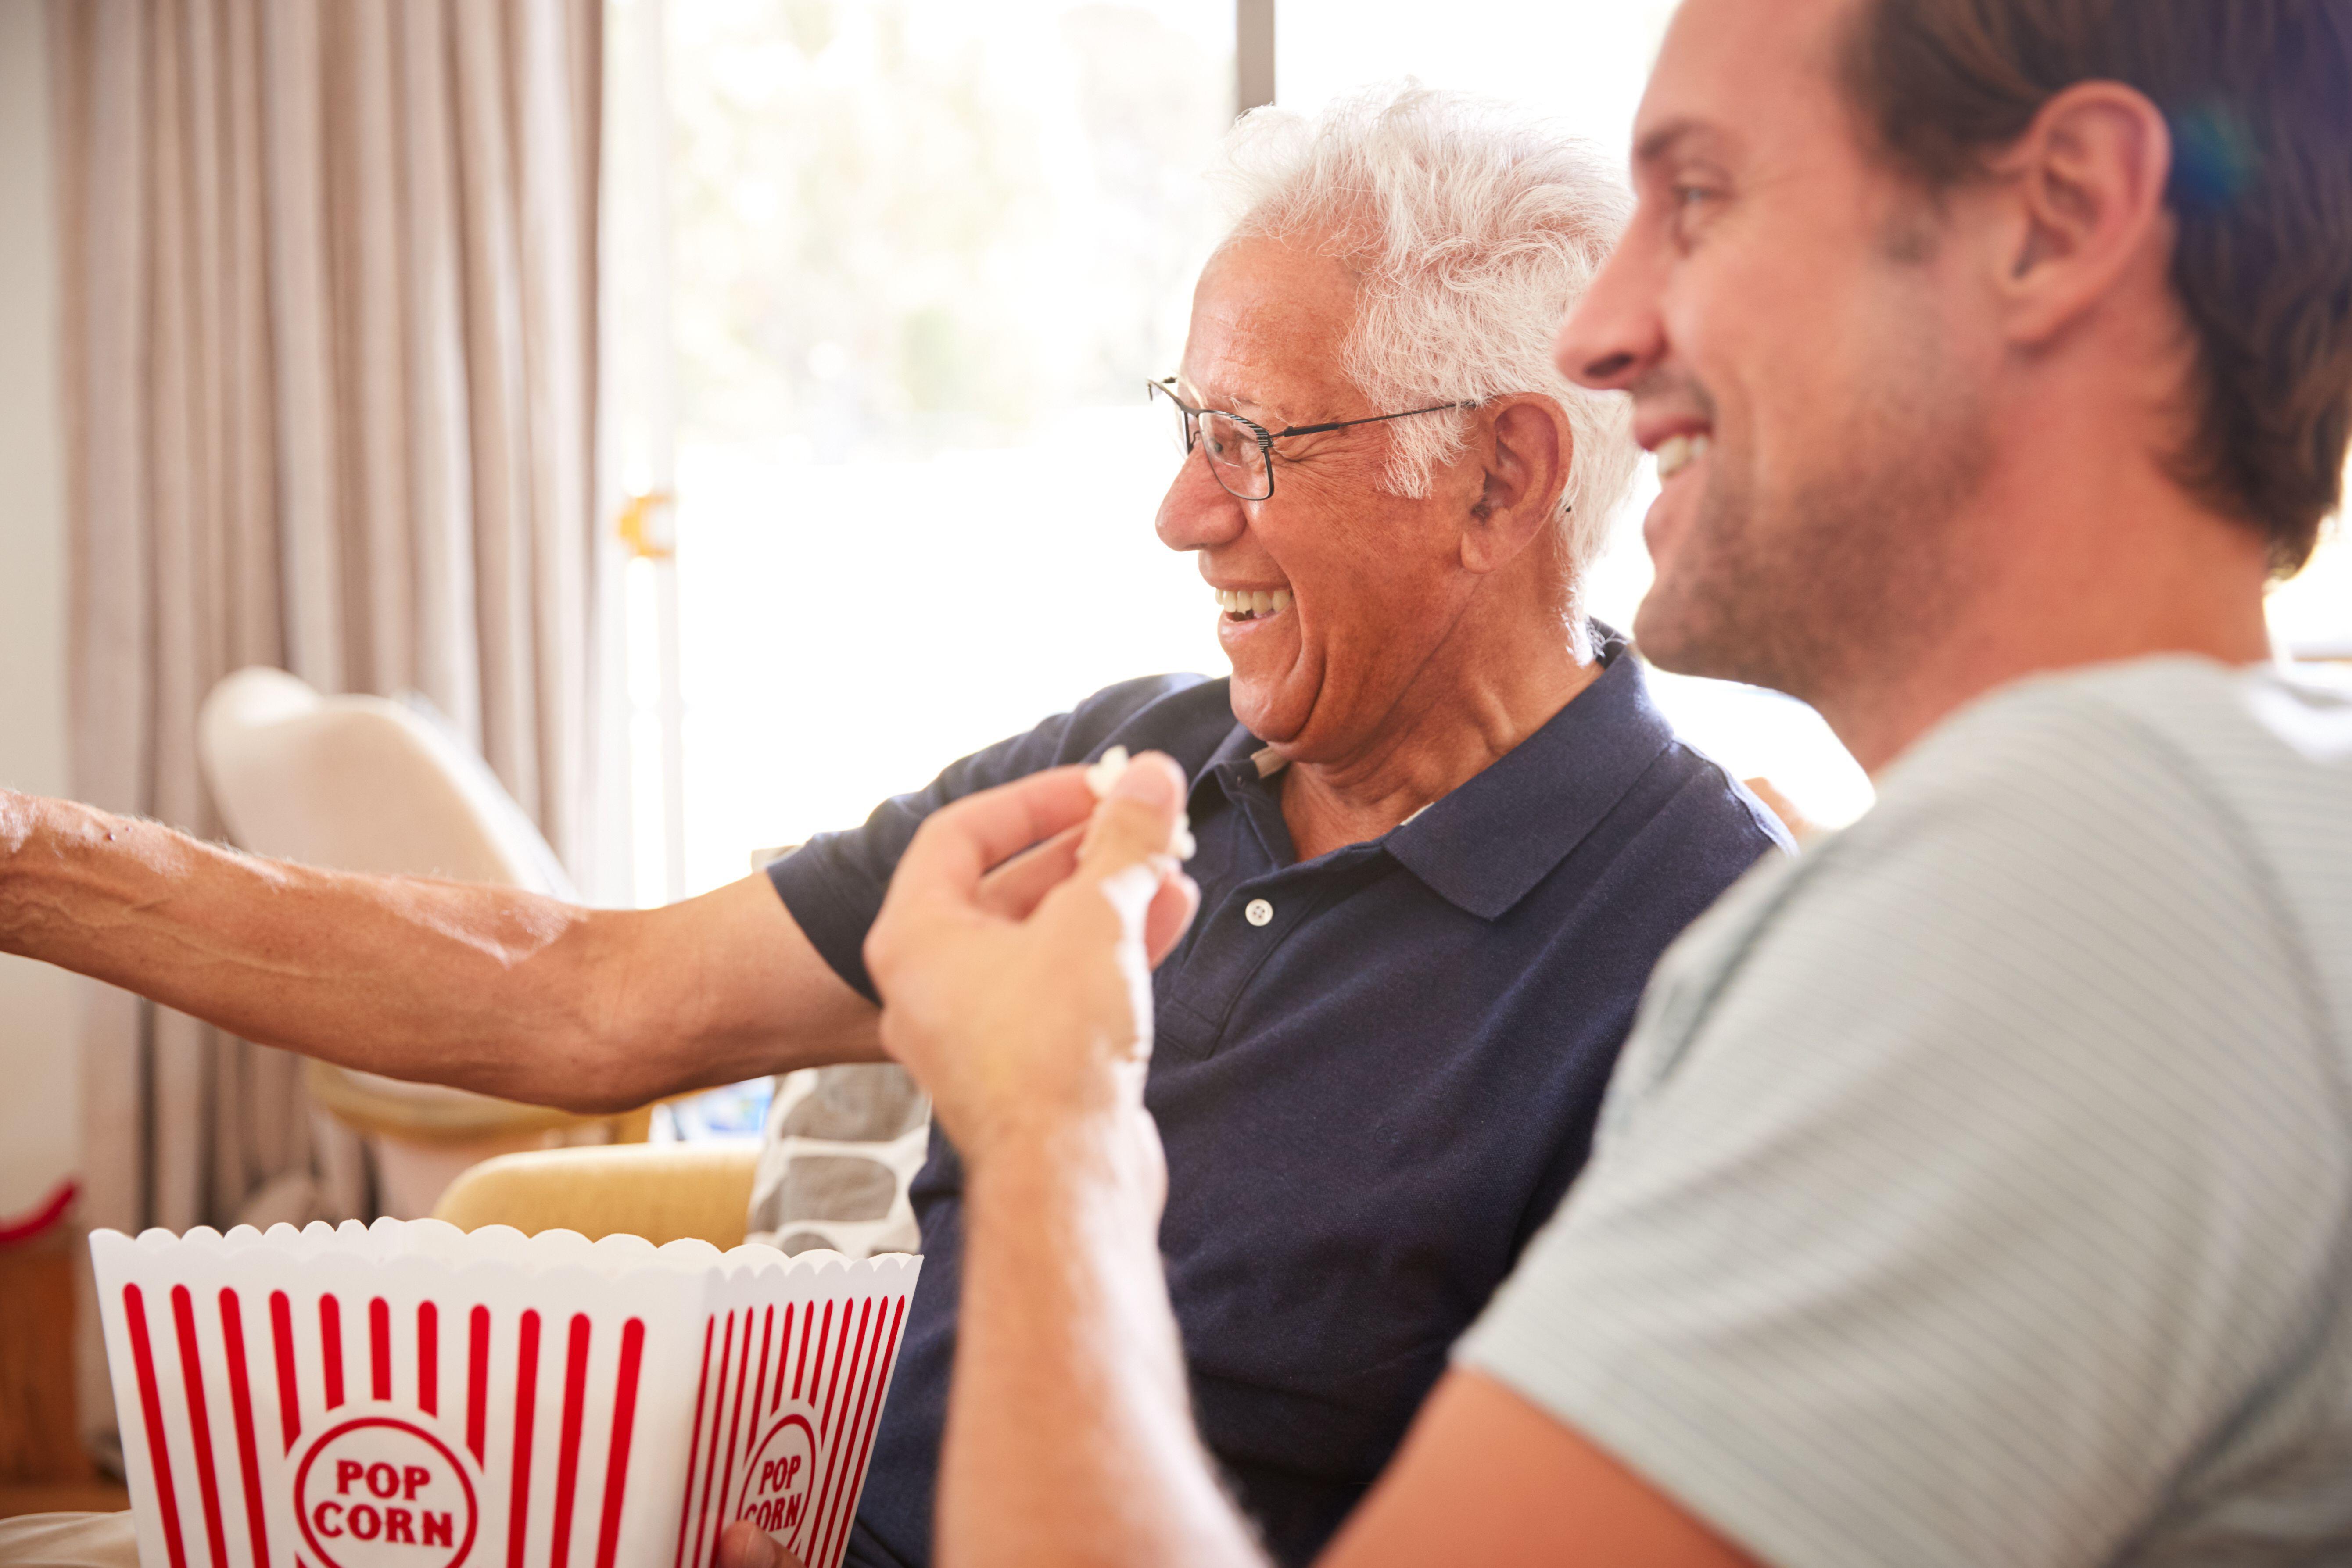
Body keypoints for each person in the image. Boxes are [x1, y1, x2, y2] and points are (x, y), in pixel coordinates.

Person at [0, 89, 1786, 1568]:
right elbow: (578, 998)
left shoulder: (1710, 958)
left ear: (1499, 474)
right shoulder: (1123, 773)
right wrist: (26, 861)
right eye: (1187, 425)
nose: (1179, 513)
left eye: (1253, 442)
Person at [750, 1, 2352, 1566]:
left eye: (1701, 201)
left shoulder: (2051, 912)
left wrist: (1052, 1122)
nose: (1601, 333)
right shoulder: (2225, 837)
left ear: (2057, 219)